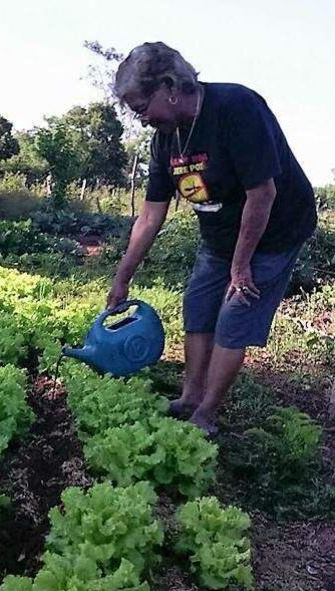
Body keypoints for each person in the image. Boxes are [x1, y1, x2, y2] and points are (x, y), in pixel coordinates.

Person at [107, 42, 317, 434]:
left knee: (236, 311)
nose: (142, 120)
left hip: (275, 229)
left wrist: (240, 267)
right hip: (220, 234)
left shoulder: (235, 108)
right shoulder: (165, 139)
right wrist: (122, 277)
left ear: (169, 86)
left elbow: (263, 194)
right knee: (199, 305)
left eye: (141, 108)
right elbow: (151, 214)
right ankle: (189, 396)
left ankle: (207, 411)